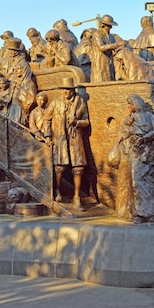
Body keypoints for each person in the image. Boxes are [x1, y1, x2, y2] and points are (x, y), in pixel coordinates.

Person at [116, 94, 154, 224]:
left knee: (147, 181)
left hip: (148, 153)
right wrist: (127, 132)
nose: (129, 107)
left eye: (130, 104)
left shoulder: (149, 116)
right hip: (134, 152)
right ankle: (141, 212)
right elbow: (124, 133)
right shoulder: (130, 119)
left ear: (136, 104)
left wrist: (144, 138)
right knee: (136, 181)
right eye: (128, 104)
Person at [43, 77, 90, 211]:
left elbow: (86, 122)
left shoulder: (80, 103)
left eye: (67, 90)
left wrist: (77, 122)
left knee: (78, 168)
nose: (64, 92)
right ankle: (58, 191)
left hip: (75, 138)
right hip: (60, 139)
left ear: (72, 90)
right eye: (63, 89)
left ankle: (76, 197)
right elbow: (46, 119)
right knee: (59, 167)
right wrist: (47, 135)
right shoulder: (56, 103)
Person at [90, 14, 126, 82]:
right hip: (100, 62)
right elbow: (101, 48)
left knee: (110, 80)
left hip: (109, 63)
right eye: (109, 25)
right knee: (100, 81)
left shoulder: (111, 36)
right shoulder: (97, 34)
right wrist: (117, 44)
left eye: (111, 25)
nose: (111, 27)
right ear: (103, 24)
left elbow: (114, 48)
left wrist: (120, 48)